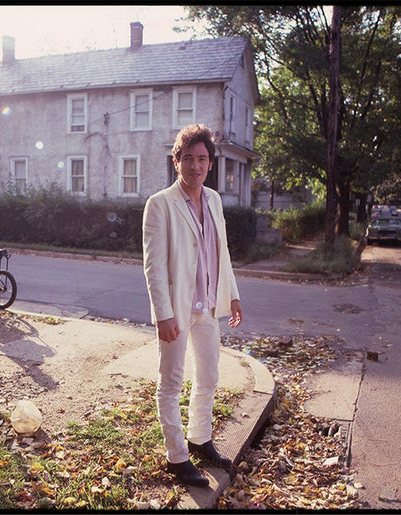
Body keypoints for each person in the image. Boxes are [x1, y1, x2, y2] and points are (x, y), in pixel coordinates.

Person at [142, 123, 244, 487]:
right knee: (171, 382)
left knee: (210, 376)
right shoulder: (159, 204)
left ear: (210, 164)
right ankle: (177, 457)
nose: (195, 166)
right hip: (177, 310)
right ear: (176, 161)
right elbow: (153, 267)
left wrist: (231, 293)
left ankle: (200, 439)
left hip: (207, 307)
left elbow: (222, 252)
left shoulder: (214, 200)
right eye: (188, 159)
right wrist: (164, 314)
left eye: (202, 159)